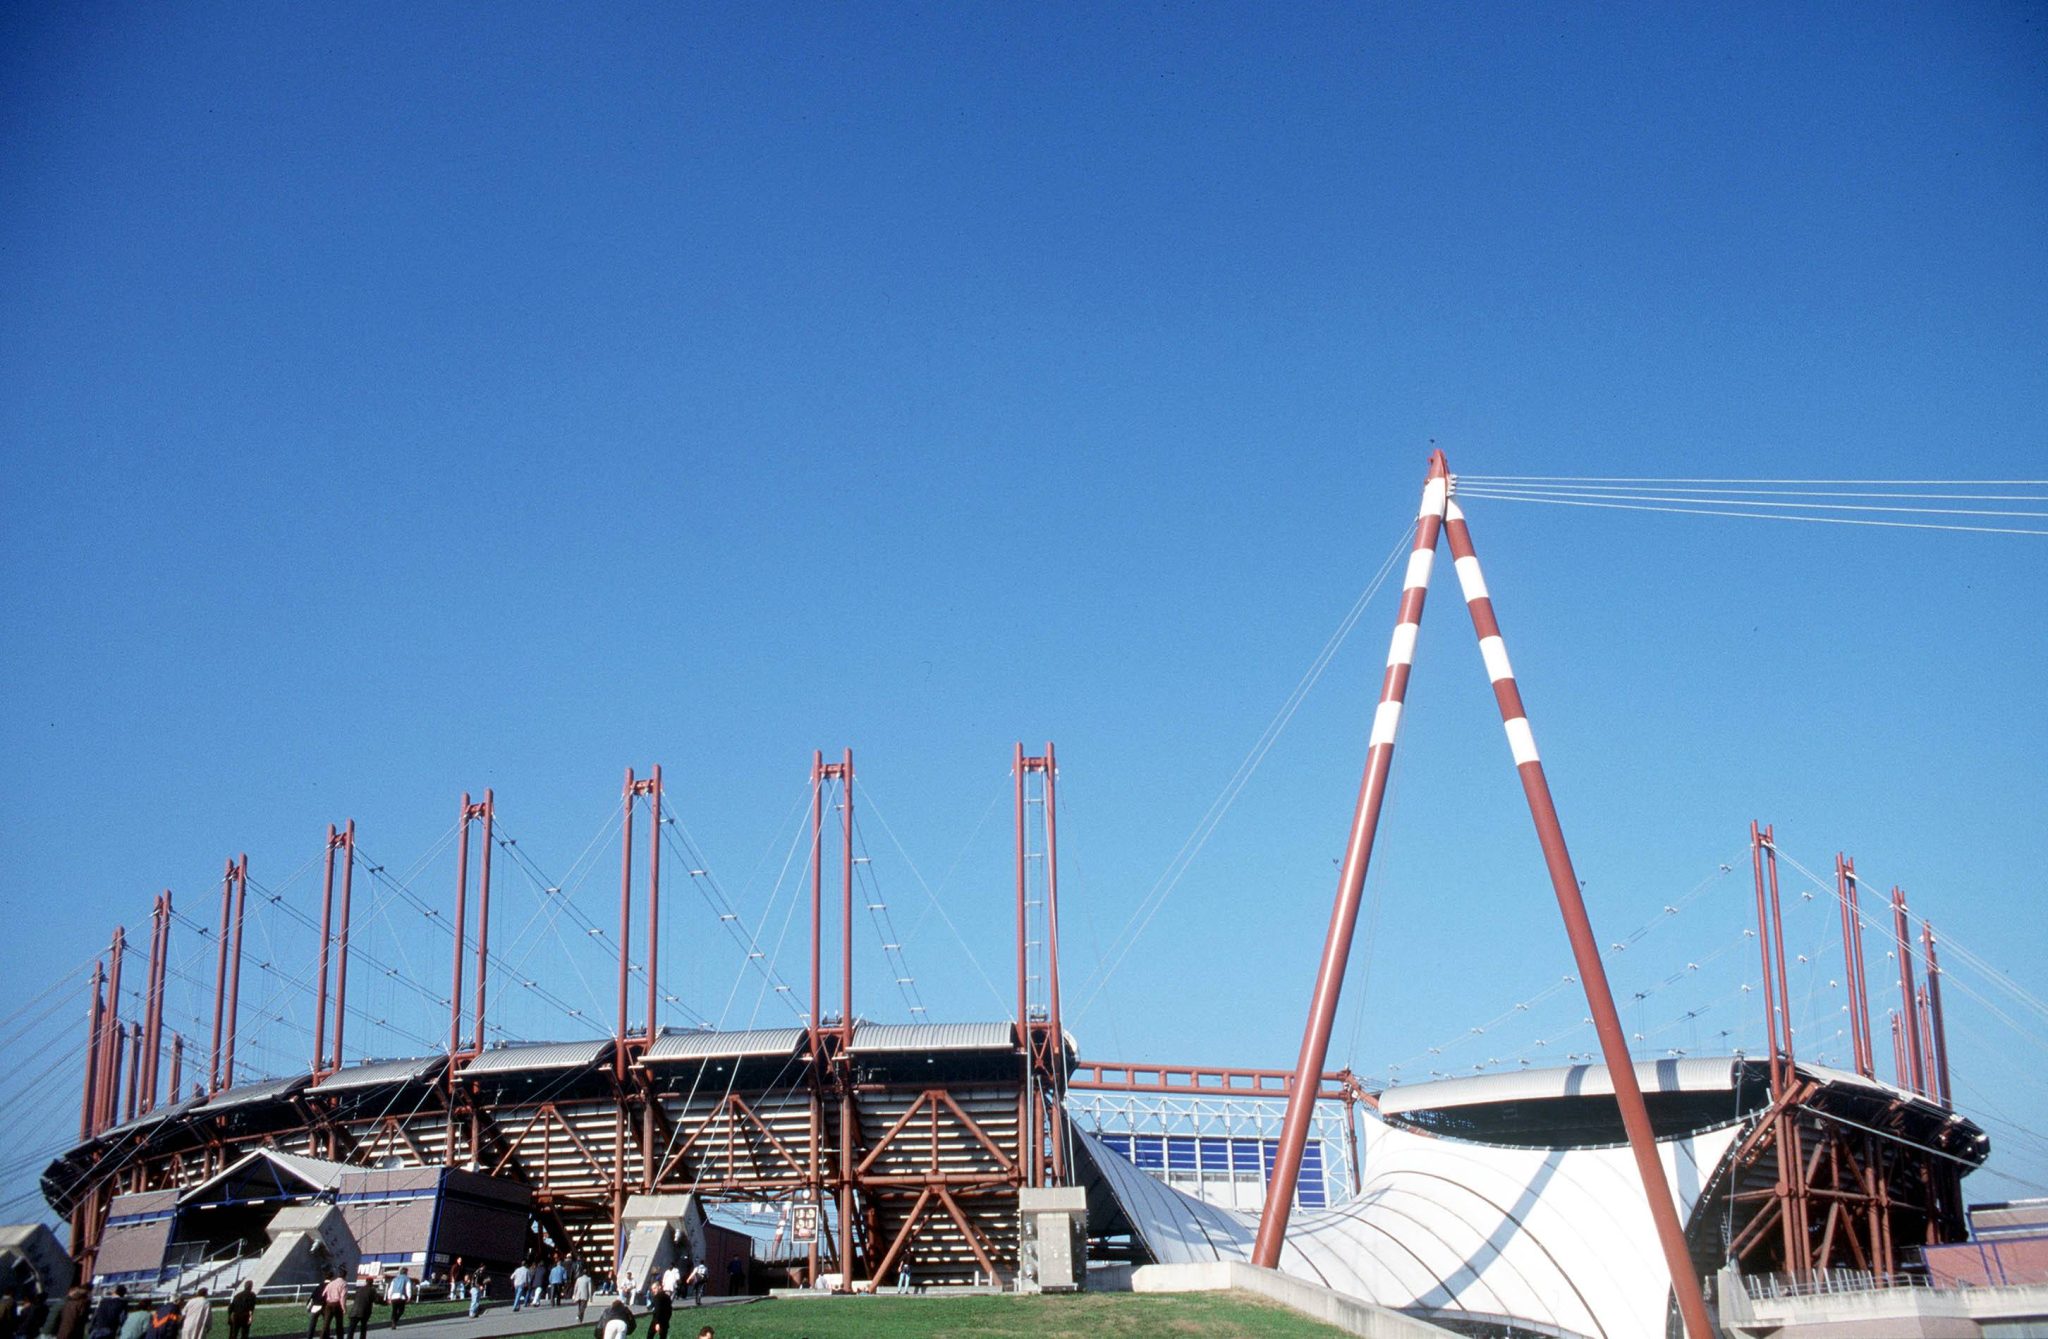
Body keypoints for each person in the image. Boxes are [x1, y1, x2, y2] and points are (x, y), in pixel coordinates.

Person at [317, 1272, 348, 1339]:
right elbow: (342, 1297)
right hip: (337, 1305)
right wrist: (344, 1308)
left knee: (326, 1324)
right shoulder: (344, 1284)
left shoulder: (331, 1283)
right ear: (345, 1276)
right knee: (339, 1324)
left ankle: (322, 1337)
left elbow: (324, 1293)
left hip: (328, 1305)